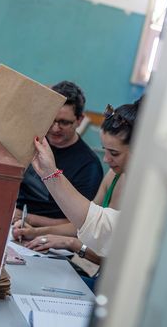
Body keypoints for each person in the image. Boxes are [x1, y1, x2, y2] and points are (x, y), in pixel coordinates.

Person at [13, 98, 141, 260]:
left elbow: (116, 256)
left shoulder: (144, 196)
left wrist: (72, 244)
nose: (106, 160)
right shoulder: (113, 176)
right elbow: (83, 222)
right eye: (105, 151)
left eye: (114, 153)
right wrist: (35, 232)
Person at [15, 81, 103, 227]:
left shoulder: (89, 166)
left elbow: (77, 224)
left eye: (64, 122)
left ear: (79, 120)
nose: (55, 128)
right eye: (51, 120)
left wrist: (26, 218)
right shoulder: (32, 142)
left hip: (49, 235)